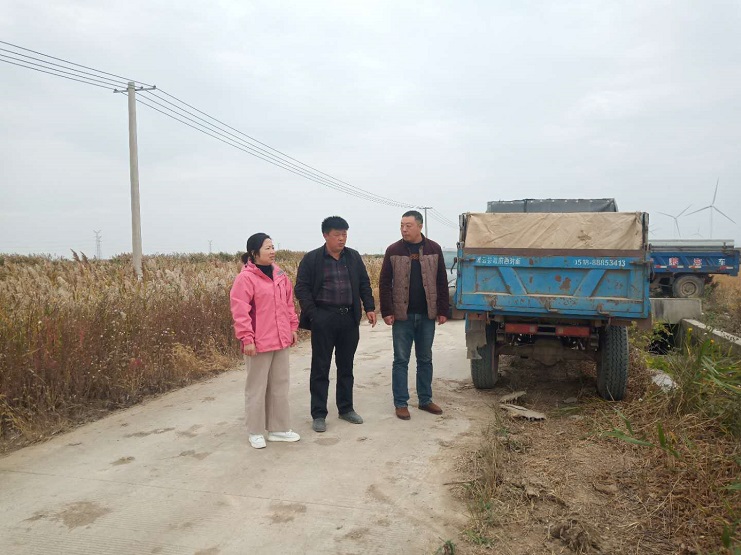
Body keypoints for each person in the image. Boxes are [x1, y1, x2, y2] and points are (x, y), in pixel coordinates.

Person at [294, 216, 377, 433]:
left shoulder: (353, 257)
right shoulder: (312, 259)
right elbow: (301, 288)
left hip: (349, 318)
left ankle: (346, 408)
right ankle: (318, 414)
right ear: (325, 235)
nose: (342, 239)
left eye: (345, 234)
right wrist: (314, 315)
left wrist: (369, 307)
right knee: (320, 367)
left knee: (346, 366)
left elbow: (364, 283)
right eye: (337, 235)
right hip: (324, 318)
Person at [230, 233, 301, 449]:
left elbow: (288, 304)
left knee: (280, 385)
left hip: (281, 339)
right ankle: (255, 431)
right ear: (254, 253)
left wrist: (292, 327)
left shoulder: (280, 275)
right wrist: (247, 338)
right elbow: (240, 311)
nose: (272, 251)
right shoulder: (246, 278)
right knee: (257, 388)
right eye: (267, 248)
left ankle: (278, 429)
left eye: (272, 247)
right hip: (258, 342)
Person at [379, 210, 449, 420]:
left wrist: (443, 310)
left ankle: (425, 400)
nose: (404, 229)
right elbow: (384, 282)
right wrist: (387, 311)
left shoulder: (434, 249)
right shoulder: (393, 250)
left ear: (420, 226)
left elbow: (441, 281)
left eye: (408, 225)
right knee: (401, 360)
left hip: (427, 315)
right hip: (402, 316)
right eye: (401, 225)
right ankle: (401, 403)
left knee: (425, 359)